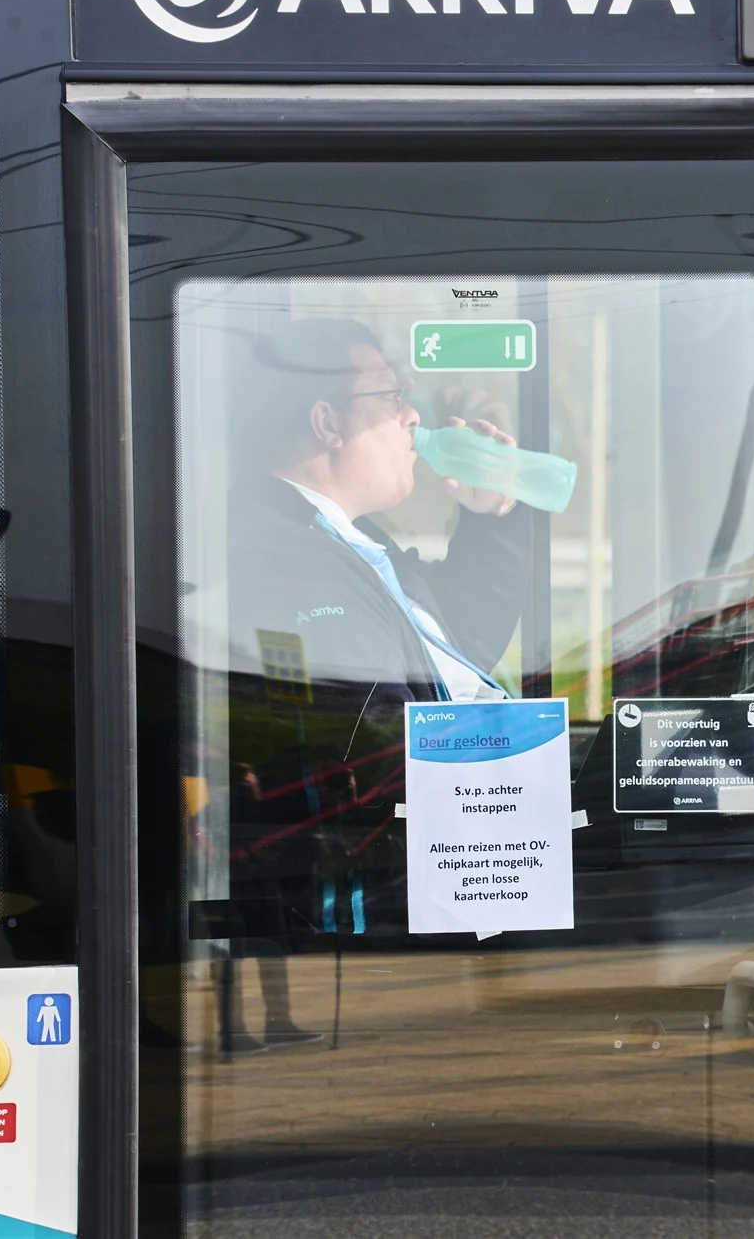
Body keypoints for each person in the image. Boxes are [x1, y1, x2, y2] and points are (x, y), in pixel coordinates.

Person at [219, 318, 532, 1050]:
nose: (413, 416)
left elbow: (458, 646)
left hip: (456, 826)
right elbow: (363, 732)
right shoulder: (276, 552)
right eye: (392, 397)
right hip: (399, 859)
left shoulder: (348, 538)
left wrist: (491, 514)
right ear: (327, 422)